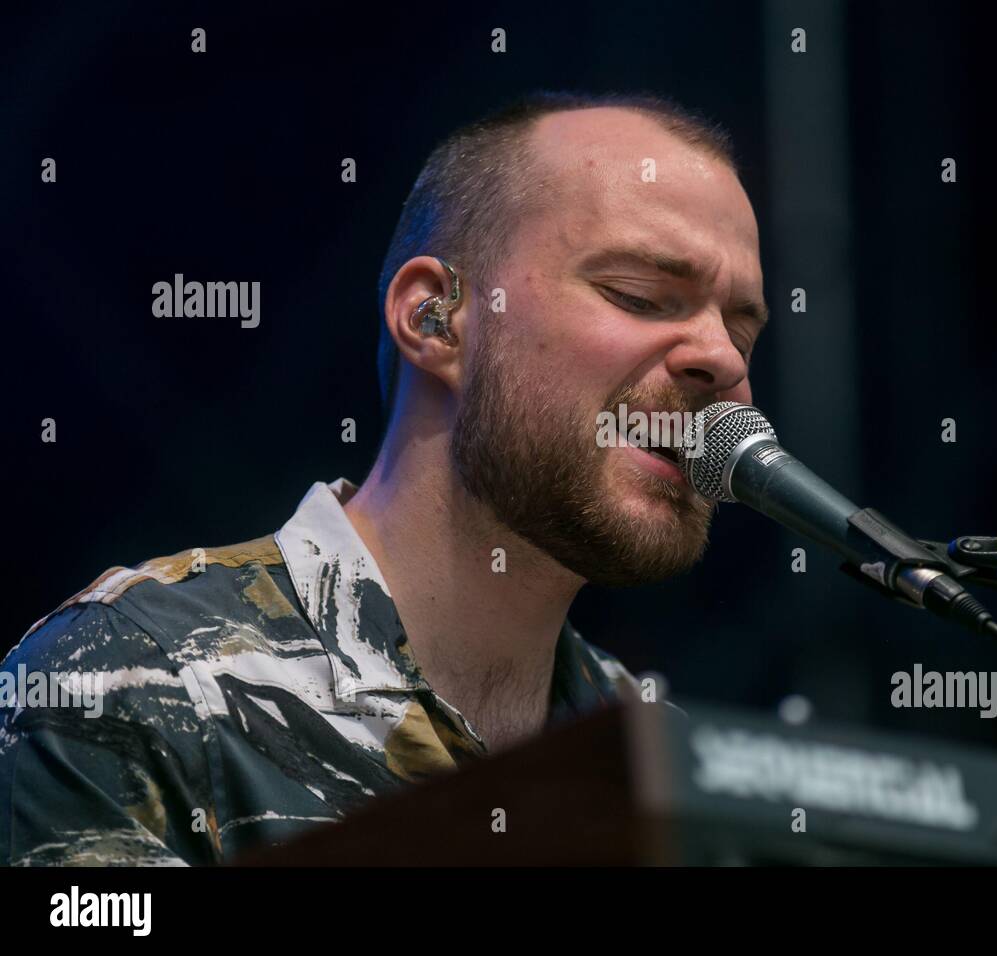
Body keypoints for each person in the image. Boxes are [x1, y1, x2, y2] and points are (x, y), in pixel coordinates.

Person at [0, 91, 768, 865]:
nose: (725, 359)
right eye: (638, 295)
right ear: (435, 318)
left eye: (742, 328)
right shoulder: (134, 674)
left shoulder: (665, 762)